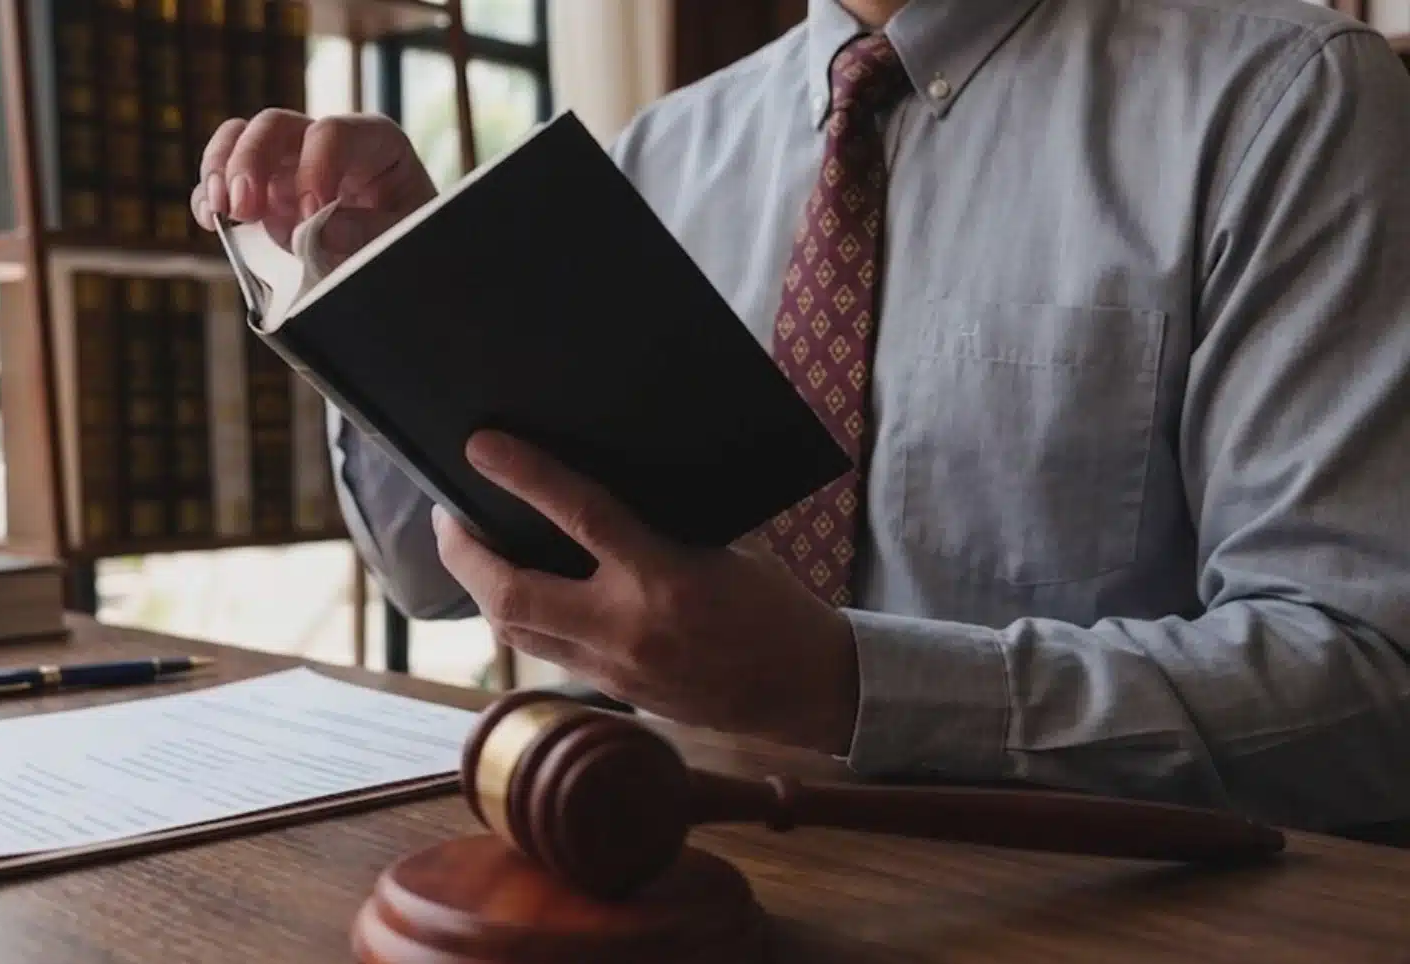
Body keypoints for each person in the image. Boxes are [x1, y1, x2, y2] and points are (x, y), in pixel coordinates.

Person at [194, 0, 1410, 833]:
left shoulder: (1288, 103)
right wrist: (409, 286)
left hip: (1107, 942)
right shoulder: (662, 150)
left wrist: (842, 686)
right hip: (669, 870)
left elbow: (1368, 686)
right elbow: (430, 574)